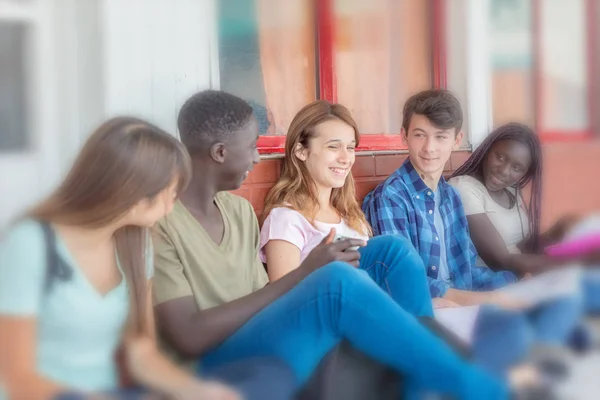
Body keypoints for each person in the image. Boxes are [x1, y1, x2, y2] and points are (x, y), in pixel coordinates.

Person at [151, 90, 540, 400]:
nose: (257, 156)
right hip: (214, 359)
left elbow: (264, 297)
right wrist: (309, 273)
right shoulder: (161, 225)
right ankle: (475, 387)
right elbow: (189, 336)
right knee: (336, 281)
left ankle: (420, 386)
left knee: (392, 250)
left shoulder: (236, 210)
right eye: (252, 146)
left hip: (262, 332)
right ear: (220, 153)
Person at [0, 117, 241, 400]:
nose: (174, 202)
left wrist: (196, 391)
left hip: (112, 393)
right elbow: (16, 378)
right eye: (172, 191)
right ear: (134, 191)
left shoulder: (138, 246)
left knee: (267, 372)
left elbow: (142, 353)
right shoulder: (30, 244)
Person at [362, 89, 584, 372]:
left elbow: (466, 269)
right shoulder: (391, 198)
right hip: (425, 313)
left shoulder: (450, 197)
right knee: (513, 332)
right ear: (404, 136)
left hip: (462, 306)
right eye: (420, 135)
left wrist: (514, 285)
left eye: (440, 137)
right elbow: (407, 283)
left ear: (456, 140)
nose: (429, 148)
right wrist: (487, 300)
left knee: (556, 294)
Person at [260, 100, 438, 315]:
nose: (345, 158)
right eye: (333, 146)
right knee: (394, 248)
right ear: (301, 151)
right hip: (325, 320)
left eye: (351, 148)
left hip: (369, 315)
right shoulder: (287, 218)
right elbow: (282, 304)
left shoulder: (352, 217)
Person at [447, 123, 599, 310]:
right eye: (500, 157)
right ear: (487, 150)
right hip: (491, 285)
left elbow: (521, 246)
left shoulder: (510, 190)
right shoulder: (463, 187)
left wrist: (555, 233)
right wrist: (574, 261)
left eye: (517, 167)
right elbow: (500, 259)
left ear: (525, 173)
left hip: (519, 277)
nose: (504, 171)